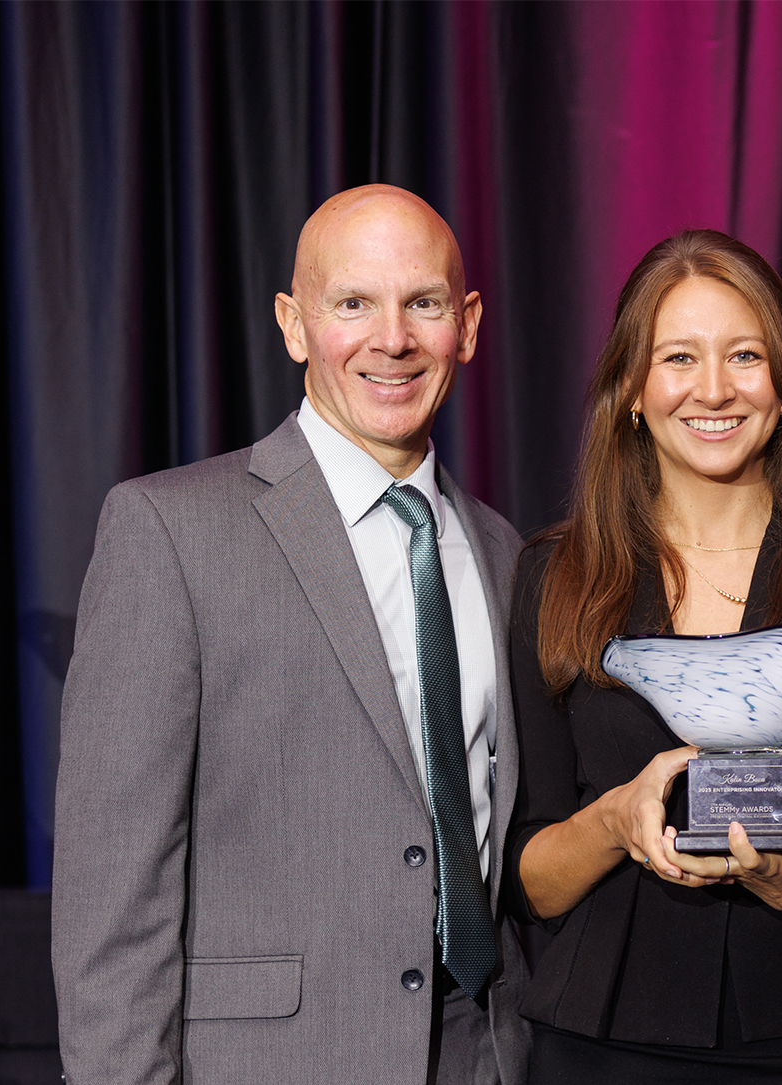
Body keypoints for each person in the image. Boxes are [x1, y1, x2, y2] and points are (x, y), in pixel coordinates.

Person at [53, 185, 530, 1084]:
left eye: (422, 303)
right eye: (353, 303)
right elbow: (113, 892)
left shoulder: (503, 553)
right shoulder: (168, 531)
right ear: (294, 323)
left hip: (483, 1059)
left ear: (465, 325)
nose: (392, 338)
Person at [505, 229, 782, 1084]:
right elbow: (532, 879)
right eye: (679, 357)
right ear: (632, 389)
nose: (714, 388)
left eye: (745, 354)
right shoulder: (553, 575)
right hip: (608, 1042)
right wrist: (613, 820)